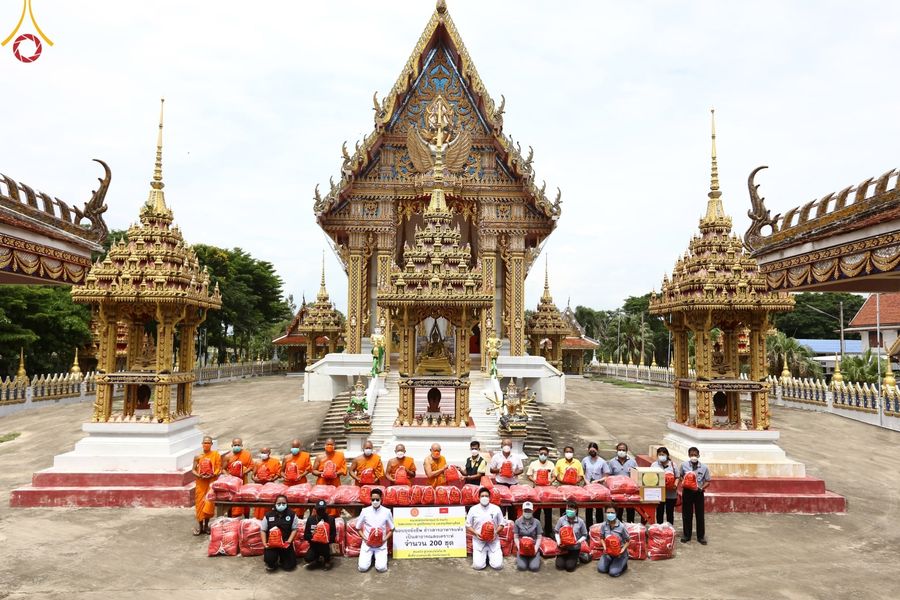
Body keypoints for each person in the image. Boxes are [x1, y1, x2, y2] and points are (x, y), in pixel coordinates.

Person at [353, 488, 395, 573]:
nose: (375, 501)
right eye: (373, 499)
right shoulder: (365, 511)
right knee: (362, 568)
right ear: (370, 499)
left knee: (381, 568)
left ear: (381, 499)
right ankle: (370, 557)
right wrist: (365, 539)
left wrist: (384, 539)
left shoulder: (387, 512)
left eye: (377, 499)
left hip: (381, 545)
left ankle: (376, 557)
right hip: (367, 544)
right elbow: (358, 528)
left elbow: (392, 529)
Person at [465, 487, 504, 571]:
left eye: (486, 496)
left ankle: (489, 555)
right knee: (477, 566)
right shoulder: (473, 509)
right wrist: (475, 533)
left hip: (493, 540)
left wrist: (495, 533)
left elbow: (502, 524)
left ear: (490, 498)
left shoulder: (496, 509)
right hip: (479, 540)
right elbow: (468, 525)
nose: (484, 498)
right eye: (482, 496)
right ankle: (483, 556)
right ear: (478, 498)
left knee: (498, 566)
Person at [680, 446, 711, 544]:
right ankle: (686, 535)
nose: (694, 456)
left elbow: (708, 481)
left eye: (695, 454)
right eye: (692, 454)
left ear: (698, 455)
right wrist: (684, 482)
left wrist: (701, 488)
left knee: (700, 515)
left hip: (698, 492)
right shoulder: (684, 465)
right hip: (687, 492)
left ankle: (701, 537)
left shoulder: (704, 467)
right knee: (686, 514)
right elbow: (680, 476)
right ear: (689, 455)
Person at [260, 494, 299, 572]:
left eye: (284, 503)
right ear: (275, 504)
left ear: (287, 504)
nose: (281, 505)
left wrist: (289, 541)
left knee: (289, 566)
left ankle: (282, 558)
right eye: (279, 503)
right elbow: (263, 530)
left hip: (285, 543)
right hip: (272, 544)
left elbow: (294, 529)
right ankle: (273, 560)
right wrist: (264, 544)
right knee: (269, 560)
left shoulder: (292, 515)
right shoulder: (268, 515)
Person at [191, 436, 221, 535]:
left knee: (208, 504)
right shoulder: (198, 456)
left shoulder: (216, 455)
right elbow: (193, 470)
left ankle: (206, 526)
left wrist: (213, 474)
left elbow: (218, 468)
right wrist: (199, 475)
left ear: (211, 444)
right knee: (200, 505)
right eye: (205, 443)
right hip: (201, 483)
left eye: (208, 443)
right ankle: (200, 527)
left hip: (210, 482)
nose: (206, 444)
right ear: (202, 444)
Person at [312, 438, 346, 517]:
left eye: (331, 445)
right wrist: (321, 473)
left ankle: (335, 520)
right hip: (322, 483)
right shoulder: (320, 457)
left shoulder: (340, 456)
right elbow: (313, 471)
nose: (329, 446)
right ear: (324, 445)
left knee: (334, 502)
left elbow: (343, 470)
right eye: (328, 444)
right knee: (321, 502)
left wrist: (335, 473)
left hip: (335, 482)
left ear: (335, 446)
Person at [526, 447, 556, 536]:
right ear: (538, 453)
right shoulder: (533, 464)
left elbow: (554, 476)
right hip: (537, 490)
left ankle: (548, 530)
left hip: (547, 491)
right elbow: (529, 475)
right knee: (536, 511)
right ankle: (536, 530)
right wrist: (534, 480)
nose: (543, 455)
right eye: (541, 453)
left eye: (545, 454)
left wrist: (551, 481)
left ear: (548, 455)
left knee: (548, 512)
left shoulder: (551, 464)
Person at [553, 500, 589, 572]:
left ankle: (578, 557)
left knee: (569, 567)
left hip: (574, 548)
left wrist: (578, 541)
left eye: (571, 509)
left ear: (576, 510)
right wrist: (559, 542)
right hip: (563, 548)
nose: (569, 510)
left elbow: (585, 535)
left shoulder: (580, 522)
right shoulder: (561, 520)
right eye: (568, 508)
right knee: (560, 566)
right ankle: (565, 557)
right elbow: (556, 532)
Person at [220, 437, 252, 517]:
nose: (236, 446)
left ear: (241, 445)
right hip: (232, 483)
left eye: (238, 445)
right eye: (235, 445)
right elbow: (223, 469)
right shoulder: (228, 456)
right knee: (232, 500)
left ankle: (246, 519)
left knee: (245, 500)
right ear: (232, 445)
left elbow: (251, 466)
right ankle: (231, 519)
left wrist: (244, 472)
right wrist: (229, 476)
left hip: (243, 481)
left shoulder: (247, 454)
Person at [608, 442, 637, 523]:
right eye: (619, 450)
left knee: (630, 512)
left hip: (630, 493)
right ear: (616, 451)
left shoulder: (633, 462)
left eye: (623, 450)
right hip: (617, 493)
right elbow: (609, 477)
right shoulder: (612, 462)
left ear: (627, 451)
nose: (621, 451)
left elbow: (636, 476)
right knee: (618, 513)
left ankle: (630, 529)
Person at [304, 499, 338, 570]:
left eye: (323, 509)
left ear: (326, 509)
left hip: (326, 546)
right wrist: (313, 536)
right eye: (319, 509)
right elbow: (305, 535)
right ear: (315, 509)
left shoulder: (331, 519)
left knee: (325, 549)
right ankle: (317, 558)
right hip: (314, 545)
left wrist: (325, 538)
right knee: (308, 558)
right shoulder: (310, 519)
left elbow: (334, 534)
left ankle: (327, 560)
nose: (321, 511)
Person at [597, 505, 630, 577]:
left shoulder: (622, 527)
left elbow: (628, 540)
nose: (610, 514)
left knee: (613, 573)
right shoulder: (604, 525)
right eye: (608, 513)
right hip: (608, 553)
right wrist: (605, 547)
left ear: (616, 513)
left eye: (612, 512)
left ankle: (624, 565)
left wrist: (622, 549)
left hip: (619, 554)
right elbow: (602, 538)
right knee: (601, 569)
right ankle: (612, 562)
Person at [581, 442, 609, 528]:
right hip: (588, 487)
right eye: (591, 450)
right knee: (588, 508)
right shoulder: (585, 460)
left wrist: (598, 481)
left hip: (598, 488)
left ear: (597, 450)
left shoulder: (602, 461)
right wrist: (586, 481)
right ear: (588, 450)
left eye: (594, 450)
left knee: (599, 508)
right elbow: (582, 473)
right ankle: (588, 527)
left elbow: (606, 475)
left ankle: (599, 527)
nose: (592, 452)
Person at [253, 447, 282, 519]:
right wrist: (255, 479)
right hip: (260, 487)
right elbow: (253, 475)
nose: (263, 454)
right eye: (262, 453)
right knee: (259, 506)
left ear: (269, 453)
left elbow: (279, 474)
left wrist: (271, 480)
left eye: (265, 453)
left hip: (270, 488)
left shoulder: (275, 462)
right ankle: (258, 519)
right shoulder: (257, 462)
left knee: (269, 506)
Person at [513, 501, 542, 572]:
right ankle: (523, 557)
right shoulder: (517, 522)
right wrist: (519, 548)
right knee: (521, 567)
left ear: (532, 511)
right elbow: (516, 537)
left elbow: (539, 537)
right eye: (525, 510)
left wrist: (535, 548)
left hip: (533, 546)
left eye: (529, 510)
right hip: (522, 547)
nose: (527, 512)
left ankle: (535, 556)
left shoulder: (537, 522)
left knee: (534, 568)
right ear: (522, 510)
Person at [654, 446, 678, 526]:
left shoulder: (673, 465)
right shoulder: (654, 465)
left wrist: (675, 485)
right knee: (659, 513)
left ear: (667, 455)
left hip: (671, 494)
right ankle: (659, 530)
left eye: (663, 454)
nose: (661, 456)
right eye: (659, 454)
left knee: (670, 513)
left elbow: (678, 477)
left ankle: (670, 530)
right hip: (658, 494)